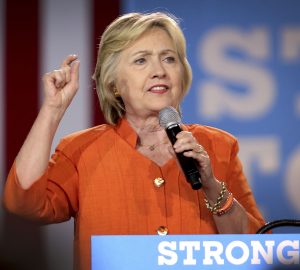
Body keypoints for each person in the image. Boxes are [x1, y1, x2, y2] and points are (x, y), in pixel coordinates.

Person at [3, 12, 266, 270]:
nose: (159, 71)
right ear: (115, 83)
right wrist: (52, 109)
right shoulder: (80, 151)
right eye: (141, 61)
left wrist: (210, 185)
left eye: (169, 59)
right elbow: (24, 205)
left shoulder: (219, 147)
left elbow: (254, 247)